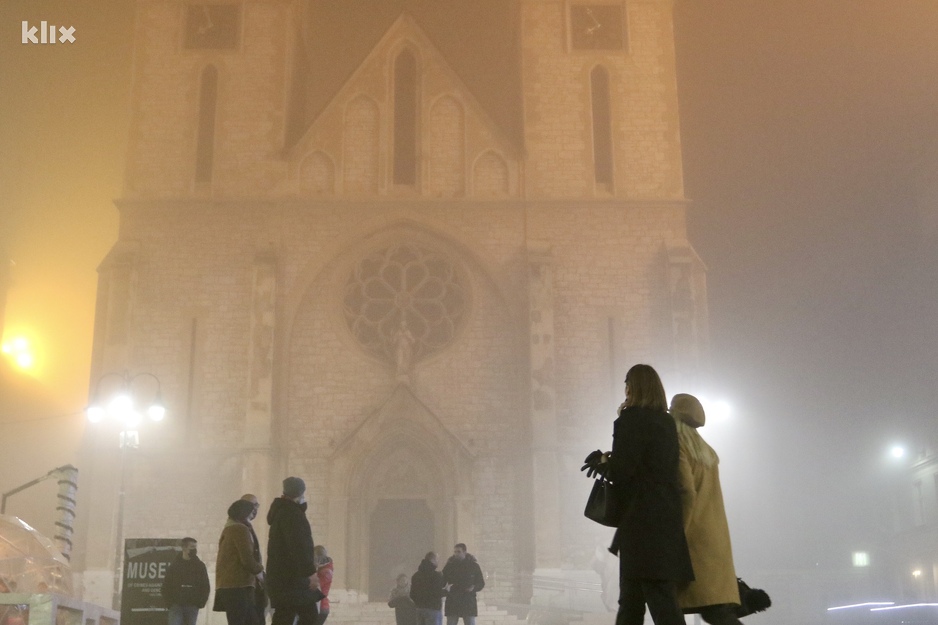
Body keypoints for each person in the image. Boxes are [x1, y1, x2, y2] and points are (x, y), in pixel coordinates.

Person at [583, 364, 694, 625]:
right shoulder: (666, 422)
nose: (625, 388)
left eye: (627, 382)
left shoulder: (630, 420)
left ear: (634, 387)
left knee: (654, 599)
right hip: (665, 518)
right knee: (635, 597)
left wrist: (601, 462)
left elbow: (624, 471)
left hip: (640, 522)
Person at [669, 394, 742, 625]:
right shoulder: (706, 452)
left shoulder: (679, 446)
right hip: (714, 541)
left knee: (669, 606)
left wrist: (676, 534)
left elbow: (687, 493)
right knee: (715, 610)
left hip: (693, 540)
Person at [266, 477, 323, 625]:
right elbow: (299, 546)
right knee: (309, 617)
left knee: (284, 615)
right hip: (294, 578)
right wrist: (310, 573)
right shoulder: (293, 514)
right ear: (301, 492)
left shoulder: (280, 512)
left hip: (281, 578)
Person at [214, 500, 265, 625]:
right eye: (251, 511)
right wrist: (260, 571)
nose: (253, 515)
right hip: (239, 585)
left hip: (229, 585)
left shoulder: (229, 528)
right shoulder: (239, 529)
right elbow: (246, 558)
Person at [160, 537, 210, 625]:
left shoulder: (200, 566)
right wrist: (170, 604)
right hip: (176, 605)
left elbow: (205, 586)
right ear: (184, 548)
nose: (194, 550)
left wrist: (200, 603)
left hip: (192, 605)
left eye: (195, 547)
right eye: (192, 547)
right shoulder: (174, 566)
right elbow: (166, 585)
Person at [241, 494, 269, 625]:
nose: (256, 509)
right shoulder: (240, 528)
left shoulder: (247, 527)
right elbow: (247, 557)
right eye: (254, 505)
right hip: (247, 584)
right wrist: (260, 574)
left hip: (254, 585)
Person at [441, 544, 484, 625]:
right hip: (453, 600)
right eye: (455, 552)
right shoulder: (449, 566)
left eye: (459, 552)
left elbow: (481, 583)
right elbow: (442, 581)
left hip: (468, 600)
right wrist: (445, 589)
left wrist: (474, 588)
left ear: (464, 552)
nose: (456, 554)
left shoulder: (473, 566)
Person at [410, 552, 448, 625]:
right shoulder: (436, 575)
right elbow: (437, 593)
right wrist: (446, 591)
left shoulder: (416, 576)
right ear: (432, 560)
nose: (438, 562)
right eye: (437, 559)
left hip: (419, 609)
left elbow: (412, 594)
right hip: (433, 609)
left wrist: (418, 603)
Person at [313, 545, 334, 625]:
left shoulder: (326, 571)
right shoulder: (323, 569)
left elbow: (315, 586)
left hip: (321, 607)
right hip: (320, 606)